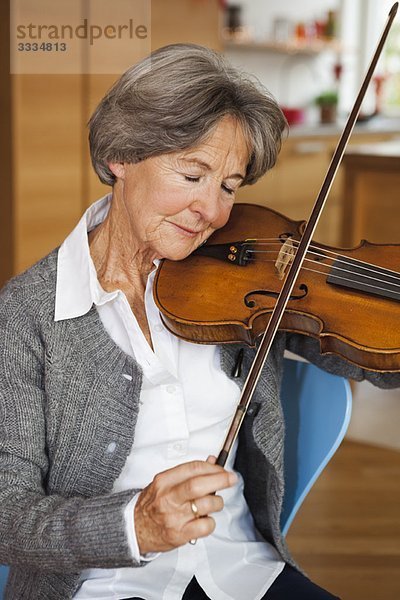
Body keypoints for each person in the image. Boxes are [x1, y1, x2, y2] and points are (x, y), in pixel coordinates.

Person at [0, 43, 398, 600]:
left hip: (244, 574)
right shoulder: (26, 317)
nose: (213, 212)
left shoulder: (246, 282)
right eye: (193, 175)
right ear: (121, 156)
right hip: (100, 588)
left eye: (229, 186)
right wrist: (133, 524)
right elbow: (8, 513)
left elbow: (370, 350)